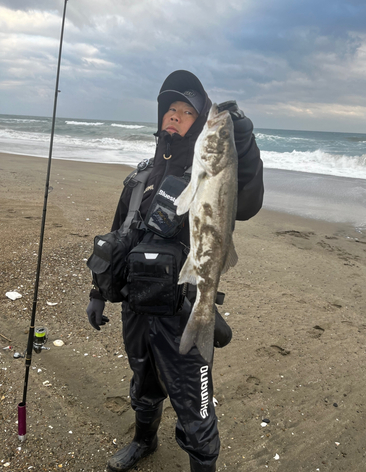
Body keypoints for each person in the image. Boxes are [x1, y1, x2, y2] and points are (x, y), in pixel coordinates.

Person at [86, 70, 264, 472]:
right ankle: (143, 441)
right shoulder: (141, 175)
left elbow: (247, 200)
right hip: (136, 306)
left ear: (200, 123)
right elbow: (118, 233)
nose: (175, 116)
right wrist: (98, 292)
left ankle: (202, 463)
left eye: (186, 112)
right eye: (170, 109)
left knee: (194, 404)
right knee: (143, 383)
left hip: (182, 311)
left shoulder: (208, 173)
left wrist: (245, 144)